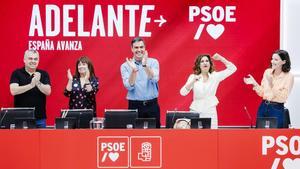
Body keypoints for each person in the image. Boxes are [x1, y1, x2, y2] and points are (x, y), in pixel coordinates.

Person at [180, 53, 237, 129]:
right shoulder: (193, 77)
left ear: (210, 64)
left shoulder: (215, 76)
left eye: (207, 61)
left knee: (212, 135)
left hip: (210, 109)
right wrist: (192, 81)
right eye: (202, 61)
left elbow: (233, 68)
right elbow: (183, 93)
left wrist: (221, 58)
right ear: (199, 65)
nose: (205, 63)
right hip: (196, 109)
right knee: (195, 136)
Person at [244, 50, 294, 128]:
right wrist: (254, 83)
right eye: (272, 59)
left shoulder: (289, 76)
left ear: (284, 62)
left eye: (276, 60)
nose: (272, 61)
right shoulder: (267, 72)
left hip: (277, 108)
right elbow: (262, 93)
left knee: (274, 135)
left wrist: (271, 85)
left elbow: (283, 97)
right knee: (259, 134)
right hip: (263, 106)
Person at [120, 37, 160, 128]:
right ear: (132, 49)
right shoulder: (125, 66)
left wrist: (144, 65)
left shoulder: (153, 62)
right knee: (134, 135)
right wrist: (134, 70)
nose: (139, 50)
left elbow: (154, 79)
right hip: (134, 105)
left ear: (145, 48)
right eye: (136, 47)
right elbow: (129, 86)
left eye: (141, 47)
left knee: (156, 134)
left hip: (152, 105)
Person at [10, 49, 51, 128]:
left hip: (40, 118)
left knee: (43, 141)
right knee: (22, 140)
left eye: (35, 59)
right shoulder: (17, 73)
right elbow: (13, 91)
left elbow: (48, 91)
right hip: (21, 118)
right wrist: (31, 85)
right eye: (30, 58)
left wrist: (38, 82)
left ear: (38, 60)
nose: (33, 61)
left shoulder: (43, 74)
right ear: (24, 60)